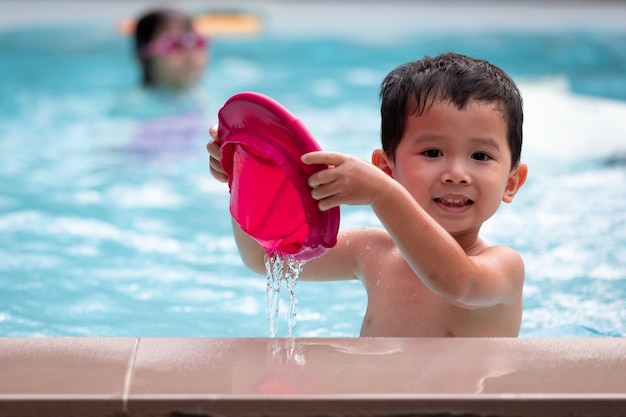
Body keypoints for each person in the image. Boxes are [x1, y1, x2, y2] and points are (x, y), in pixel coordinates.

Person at [207, 52, 529, 337]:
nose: (456, 174)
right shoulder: (371, 252)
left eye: (481, 156)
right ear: (387, 169)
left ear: (511, 182)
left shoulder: (503, 266)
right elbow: (264, 258)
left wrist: (382, 193)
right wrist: (243, 177)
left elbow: (458, 284)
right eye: (432, 152)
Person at [113, 8, 211, 159]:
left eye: (196, 41)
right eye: (174, 44)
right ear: (143, 57)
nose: (190, 51)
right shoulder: (135, 104)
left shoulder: (202, 97)